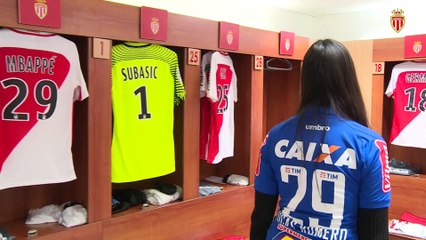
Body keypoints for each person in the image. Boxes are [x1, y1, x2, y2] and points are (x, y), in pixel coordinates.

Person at [250, 39, 391, 240]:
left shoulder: (275, 136)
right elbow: (374, 232)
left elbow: (260, 217)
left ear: (305, 79)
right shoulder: (370, 144)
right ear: (348, 79)